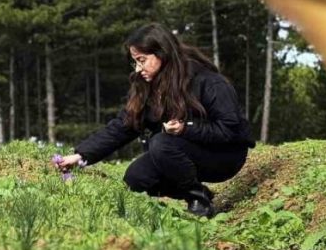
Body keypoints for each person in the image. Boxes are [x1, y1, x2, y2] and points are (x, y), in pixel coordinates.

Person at [56, 23, 254, 217]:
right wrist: (81, 156)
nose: (138, 68)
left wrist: (186, 129)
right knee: (136, 178)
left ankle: (198, 201)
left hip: (225, 156)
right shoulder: (147, 87)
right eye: (135, 62)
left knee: (160, 143)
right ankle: (200, 192)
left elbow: (229, 130)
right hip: (180, 152)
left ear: (162, 53)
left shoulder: (208, 81)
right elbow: (123, 126)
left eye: (142, 60)